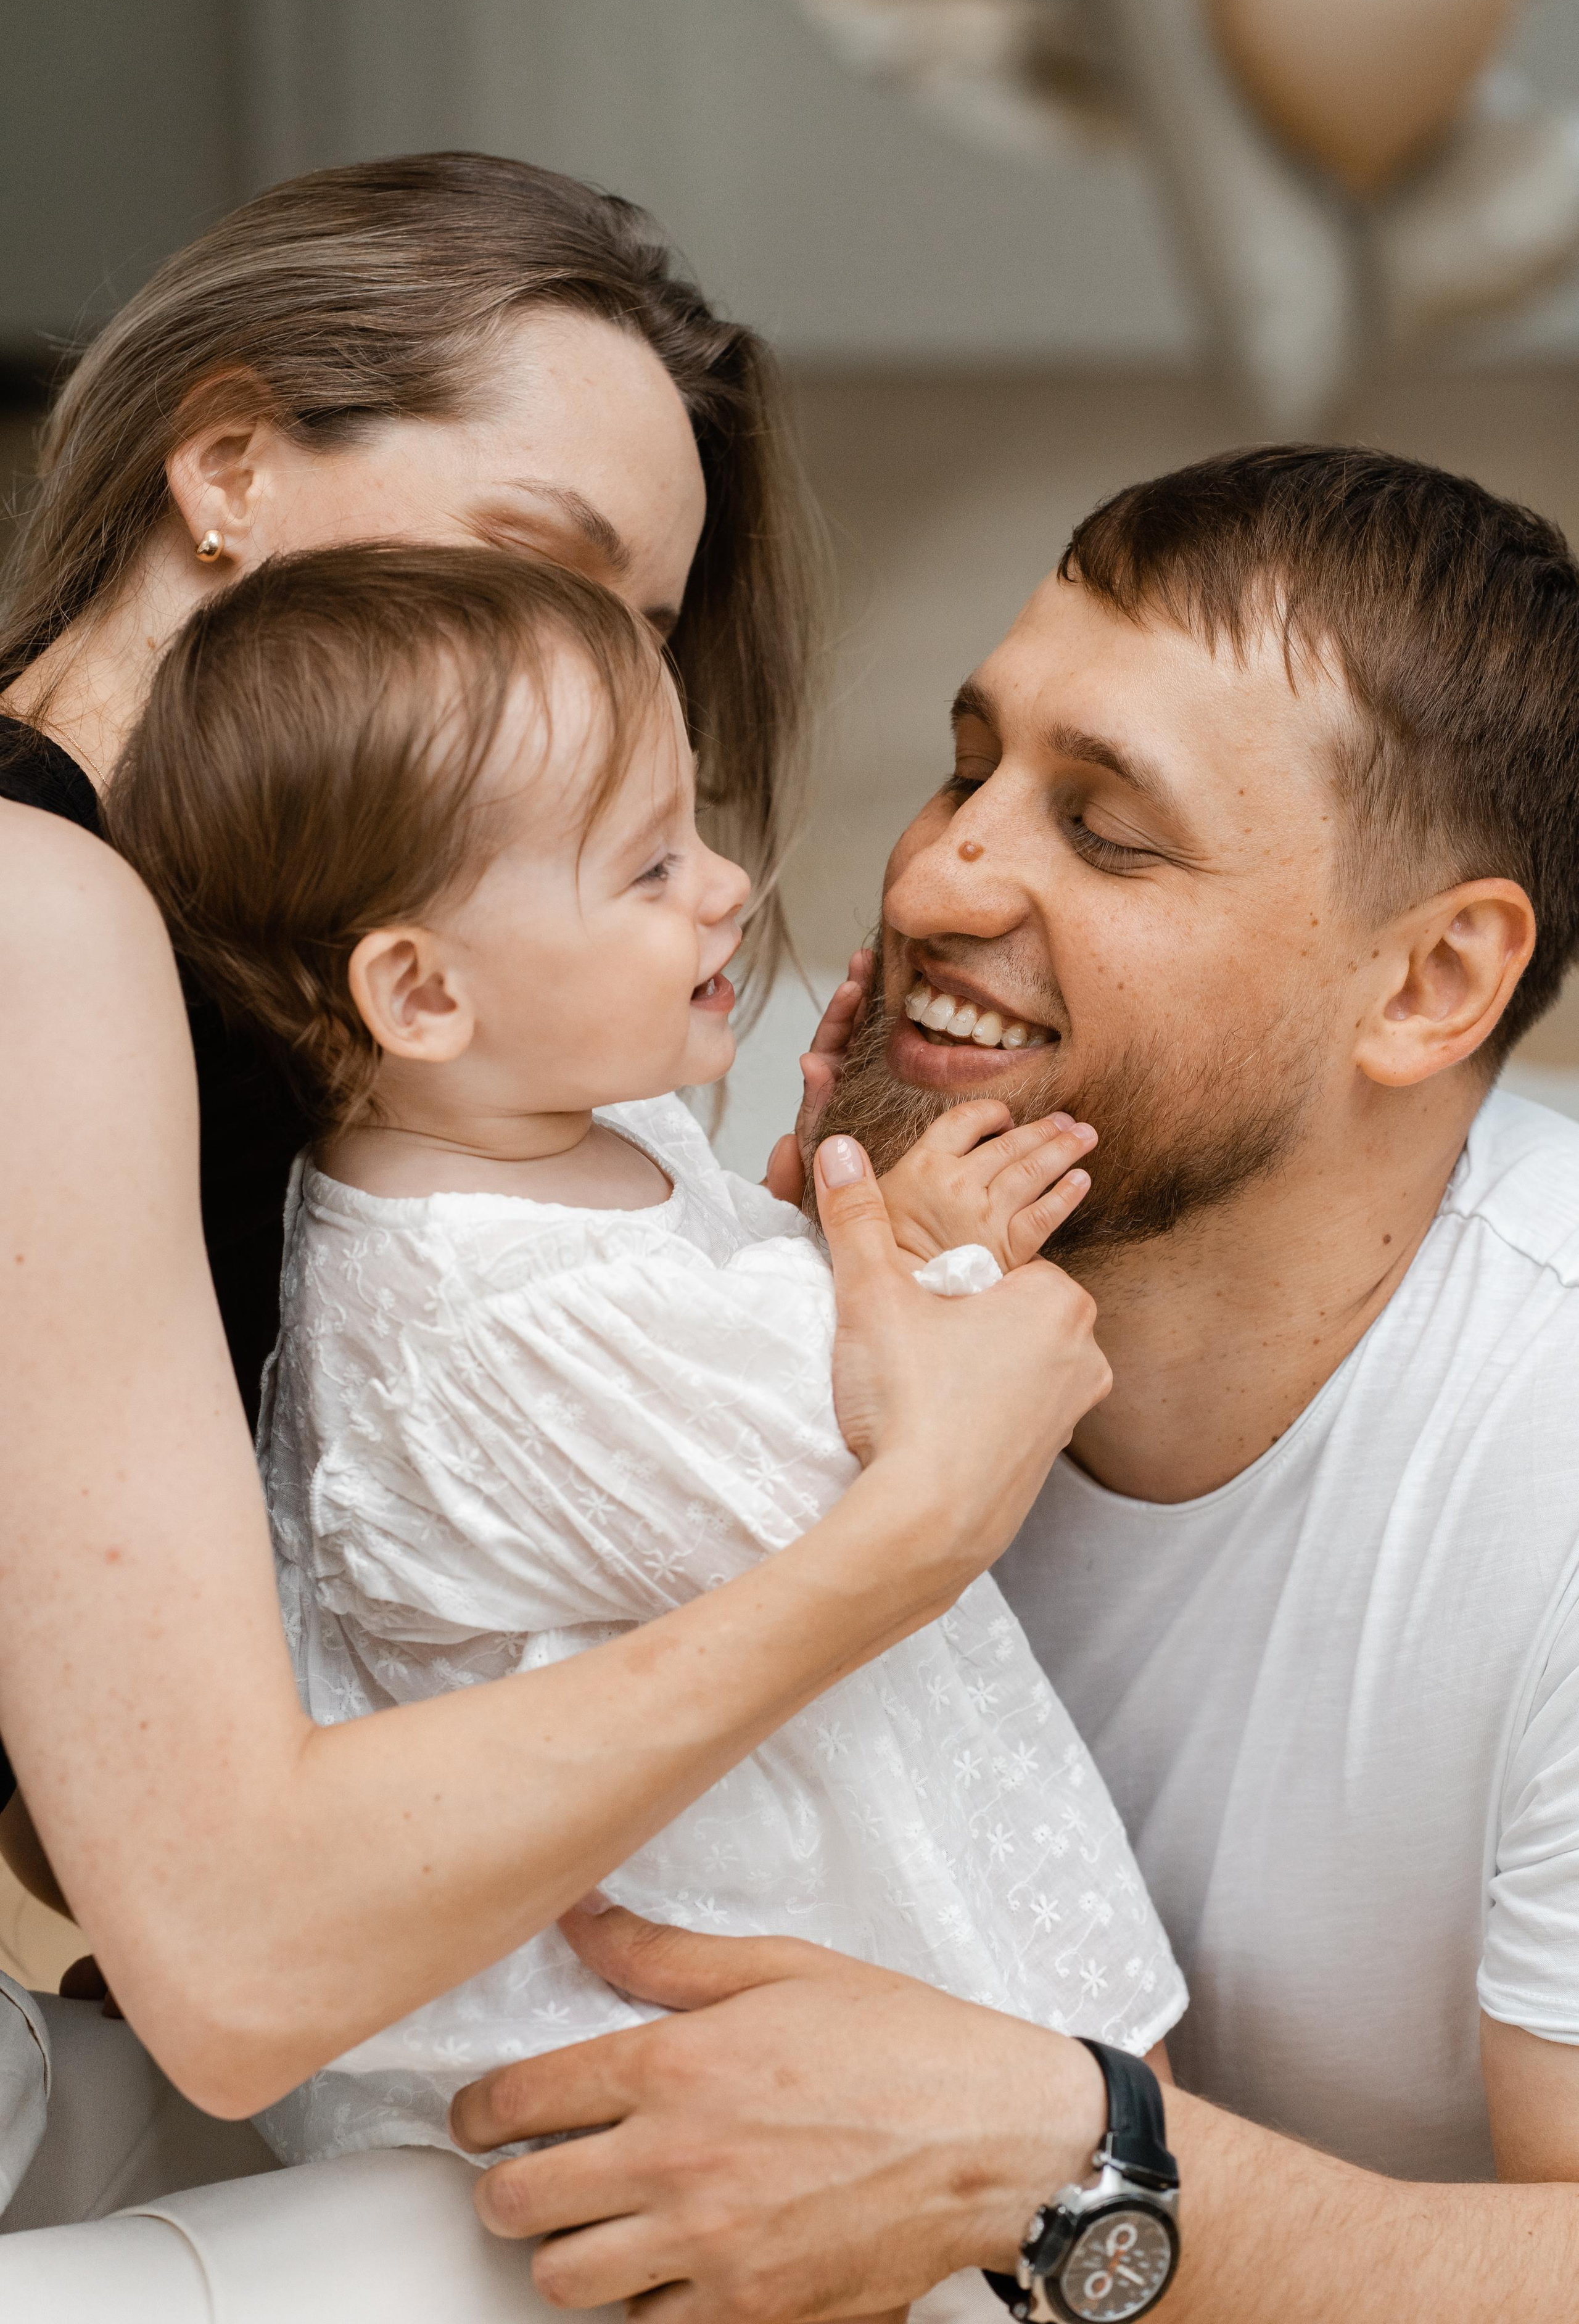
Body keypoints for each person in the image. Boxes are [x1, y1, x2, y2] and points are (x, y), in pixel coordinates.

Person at [0, 155, 1108, 2315]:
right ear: (221, 465)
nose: (588, 674)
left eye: (641, 631)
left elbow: (94, 1805)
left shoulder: (233, 1022)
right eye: (539, 560)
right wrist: (904, 1529)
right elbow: (226, 1952)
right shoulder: (38, 922)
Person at [455, 445, 1579, 2324]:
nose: (943, 868)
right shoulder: (788, 1210)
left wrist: (1064, 2167)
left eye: (1109, 830)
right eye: (973, 764)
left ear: (1430, 985)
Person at [104, 540, 1174, 2257]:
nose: (729, 883)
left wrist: (827, 1215)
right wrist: (940, 1268)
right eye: (650, 863)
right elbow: (865, 1465)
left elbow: (720, 1315)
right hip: (655, 2070)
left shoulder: (558, 1126)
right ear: (425, 993)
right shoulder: (478, 1308)